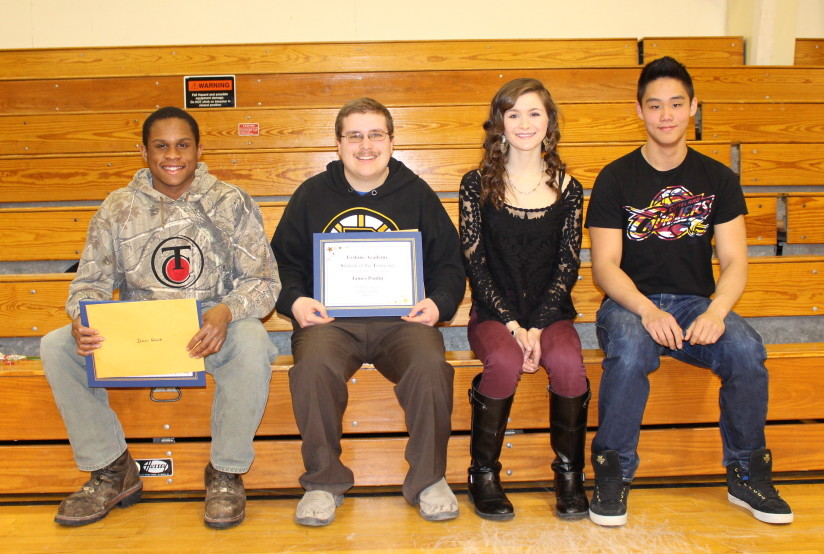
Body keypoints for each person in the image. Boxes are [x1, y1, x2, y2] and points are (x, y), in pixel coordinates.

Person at [40, 106, 281, 529]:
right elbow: (88, 284)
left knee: (254, 341)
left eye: (183, 144)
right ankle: (112, 470)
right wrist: (82, 317)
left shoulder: (231, 202)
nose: (174, 155)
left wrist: (225, 312)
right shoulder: (117, 208)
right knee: (57, 346)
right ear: (144, 152)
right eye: (162, 146)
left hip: (210, 328)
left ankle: (225, 473)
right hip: (141, 327)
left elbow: (263, 282)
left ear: (199, 149)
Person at [585, 56, 793, 526]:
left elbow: (737, 261)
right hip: (629, 304)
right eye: (655, 105)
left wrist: (718, 311)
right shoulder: (615, 177)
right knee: (632, 352)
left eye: (676, 104)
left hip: (697, 302)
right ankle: (613, 472)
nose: (666, 115)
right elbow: (605, 267)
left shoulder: (717, 178)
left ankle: (746, 474)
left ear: (693, 107)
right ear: (638, 111)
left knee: (745, 348)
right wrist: (646, 310)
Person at [271, 97, 465, 527]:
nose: (365, 145)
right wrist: (296, 301)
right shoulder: (311, 195)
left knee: (432, 365)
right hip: (329, 323)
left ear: (392, 142)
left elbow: (449, 263)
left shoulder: (416, 194)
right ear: (338, 144)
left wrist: (438, 303)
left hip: (402, 322)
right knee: (313, 367)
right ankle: (323, 482)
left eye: (375, 134)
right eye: (354, 135)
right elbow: (282, 263)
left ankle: (429, 479)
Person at [459, 78, 589, 521]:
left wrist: (538, 324)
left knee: (571, 366)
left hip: (550, 313)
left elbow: (568, 264)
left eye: (534, 112)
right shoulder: (475, 184)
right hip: (494, 313)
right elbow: (476, 264)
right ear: (499, 124)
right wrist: (514, 326)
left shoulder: (570, 187)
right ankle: (483, 473)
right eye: (512, 113)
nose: (524, 122)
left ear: (549, 121)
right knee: (506, 362)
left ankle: (569, 475)